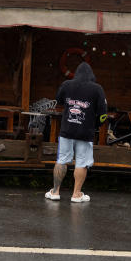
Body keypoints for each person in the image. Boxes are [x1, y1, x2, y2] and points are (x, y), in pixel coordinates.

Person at [45, 61, 107, 204]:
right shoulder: (97, 89)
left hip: (67, 130)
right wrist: (96, 125)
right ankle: (76, 194)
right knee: (82, 163)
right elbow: (103, 114)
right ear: (92, 75)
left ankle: (55, 192)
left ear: (76, 74)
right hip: (86, 132)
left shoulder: (67, 85)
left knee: (61, 160)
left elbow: (58, 100)